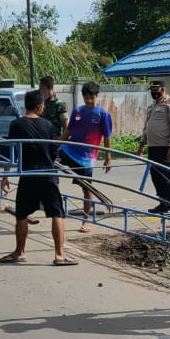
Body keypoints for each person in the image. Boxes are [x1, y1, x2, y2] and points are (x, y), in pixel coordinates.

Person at [0, 89, 76, 265]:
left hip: (27, 174)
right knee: (56, 213)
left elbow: (11, 152)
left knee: (21, 214)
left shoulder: (16, 125)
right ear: (40, 106)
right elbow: (54, 151)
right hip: (47, 174)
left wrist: (5, 175)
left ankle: (20, 252)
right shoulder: (48, 125)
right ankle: (59, 255)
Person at [60, 80, 113, 231]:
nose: (89, 101)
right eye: (86, 98)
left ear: (97, 96)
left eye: (92, 98)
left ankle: (86, 220)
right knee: (50, 163)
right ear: (83, 97)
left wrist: (108, 158)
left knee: (86, 188)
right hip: (69, 151)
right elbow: (68, 131)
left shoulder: (103, 114)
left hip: (86, 159)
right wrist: (56, 144)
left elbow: (107, 137)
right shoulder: (77, 111)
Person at [136, 79, 170, 214]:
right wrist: (141, 145)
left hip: (165, 146)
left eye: (156, 90)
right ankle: (162, 202)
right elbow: (147, 127)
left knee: (167, 176)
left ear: (163, 89)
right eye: (152, 90)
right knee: (156, 176)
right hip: (153, 146)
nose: (154, 93)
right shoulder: (152, 105)